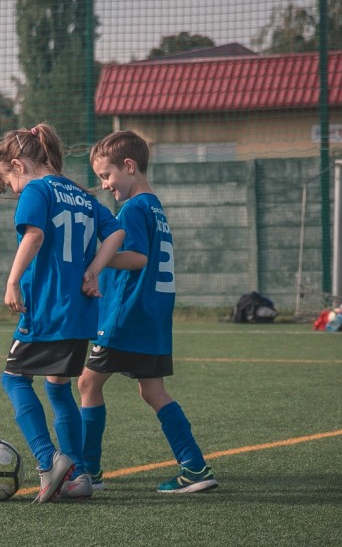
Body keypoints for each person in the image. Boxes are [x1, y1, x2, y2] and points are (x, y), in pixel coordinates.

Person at [0, 123, 124, 503]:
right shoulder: (79, 192)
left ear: (19, 165)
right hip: (81, 313)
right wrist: (93, 270)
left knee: (13, 380)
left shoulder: (37, 189)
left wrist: (12, 281)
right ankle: (76, 476)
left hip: (47, 308)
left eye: (11, 184)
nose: (16, 192)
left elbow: (35, 235)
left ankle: (48, 461)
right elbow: (116, 234)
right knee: (58, 388)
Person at [77, 130, 218, 495]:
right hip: (153, 317)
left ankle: (88, 472)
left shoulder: (135, 208)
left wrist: (95, 262)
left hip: (127, 316)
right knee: (152, 390)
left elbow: (137, 257)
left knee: (88, 383)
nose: (105, 185)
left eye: (107, 175)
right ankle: (194, 466)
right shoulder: (156, 206)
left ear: (129, 166)